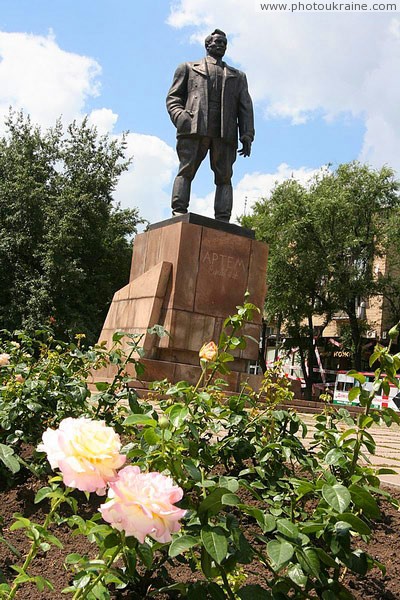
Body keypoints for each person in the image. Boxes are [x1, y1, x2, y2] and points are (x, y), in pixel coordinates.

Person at [166, 29, 254, 222]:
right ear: (208, 45)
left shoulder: (237, 76)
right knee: (186, 170)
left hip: (224, 131)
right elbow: (173, 98)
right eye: (217, 42)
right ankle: (178, 211)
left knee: (225, 177)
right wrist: (181, 117)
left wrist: (247, 134)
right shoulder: (188, 68)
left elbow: (245, 106)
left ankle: (223, 219)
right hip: (194, 127)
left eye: (224, 42)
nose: (221, 45)